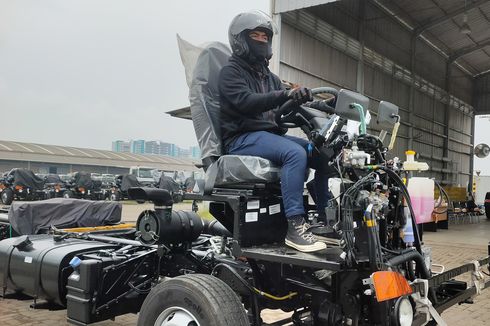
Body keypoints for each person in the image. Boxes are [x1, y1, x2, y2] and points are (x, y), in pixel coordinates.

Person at [218, 11, 332, 253]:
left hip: (267, 138)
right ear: (241, 39)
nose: (261, 40)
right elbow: (246, 102)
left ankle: (326, 219)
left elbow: (289, 103)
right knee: (295, 153)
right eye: (255, 35)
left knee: (322, 154)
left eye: (264, 36)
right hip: (241, 138)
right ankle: (295, 227)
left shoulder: (270, 77)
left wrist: (323, 105)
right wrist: (285, 94)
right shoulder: (231, 72)